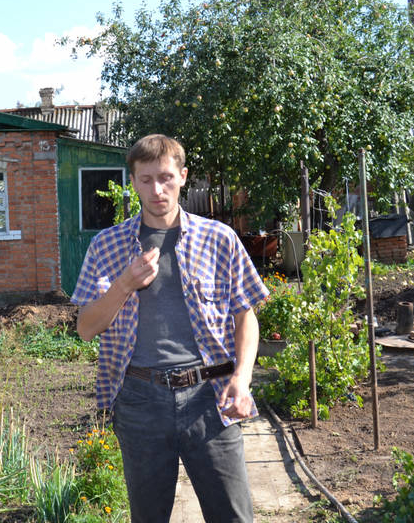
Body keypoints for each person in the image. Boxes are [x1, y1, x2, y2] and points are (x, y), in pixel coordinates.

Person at [71, 134, 268, 523]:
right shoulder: (106, 246)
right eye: (145, 179)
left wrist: (242, 380)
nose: (156, 189)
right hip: (140, 402)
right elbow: (85, 328)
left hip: (210, 399)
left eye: (165, 177)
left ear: (183, 176)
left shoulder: (219, 239)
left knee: (234, 516)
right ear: (133, 181)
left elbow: (246, 315)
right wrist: (125, 284)